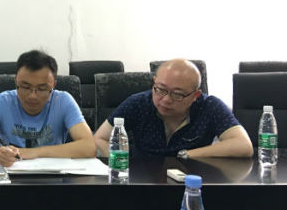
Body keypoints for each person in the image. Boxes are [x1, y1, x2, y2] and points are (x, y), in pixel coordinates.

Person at [0, 50, 96, 167]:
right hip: (11, 174)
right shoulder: (2, 102)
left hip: (53, 176)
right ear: (16, 81)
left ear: (53, 85)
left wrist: (33, 153)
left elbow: (89, 146)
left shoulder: (63, 101)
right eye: (25, 87)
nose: (32, 96)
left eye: (42, 89)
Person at [94, 59, 253, 159]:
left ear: (195, 95)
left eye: (177, 94)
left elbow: (243, 145)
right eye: (160, 89)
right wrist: (122, 163)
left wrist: (187, 154)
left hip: (191, 179)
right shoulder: (137, 103)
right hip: (142, 179)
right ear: (154, 82)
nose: (166, 100)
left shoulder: (210, 106)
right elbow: (99, 138)